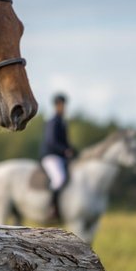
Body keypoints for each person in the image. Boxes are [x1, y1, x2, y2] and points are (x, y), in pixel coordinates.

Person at [40, 94, 76, 222]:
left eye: (64, 105)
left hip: (61, 157)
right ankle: (52, 208)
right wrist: (65, 150)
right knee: (59, 179)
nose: (64, 107)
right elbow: (51, 142)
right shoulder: (53, 121)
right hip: (51, 156)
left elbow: (65, 141)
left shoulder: (62, 122)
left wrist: (72, 149)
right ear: (57, 105)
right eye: (62, 105)